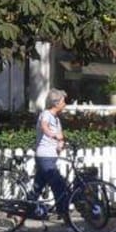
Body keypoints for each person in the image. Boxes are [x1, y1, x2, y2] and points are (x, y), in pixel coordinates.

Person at [33, 89, 70, 219]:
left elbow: (60, 136)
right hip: (45, 157)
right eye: (63, 101)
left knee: (37, 188)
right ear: (56, 103)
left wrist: (61, 143)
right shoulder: (46, 114)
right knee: (59, 185)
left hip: (50, 157)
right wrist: (54, 136)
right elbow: (44, 127)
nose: (65, 104)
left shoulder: (57, 119)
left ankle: (20, 215)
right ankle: (64, 216)